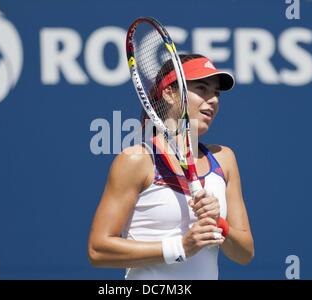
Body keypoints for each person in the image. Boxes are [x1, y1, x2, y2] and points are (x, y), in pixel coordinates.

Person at [88, 54, 254, 279]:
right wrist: (180, 248)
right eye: (202, 89)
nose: (213, 99)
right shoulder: (136, 160)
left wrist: (219, 223)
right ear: (169, 93)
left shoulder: (224, 159)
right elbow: (98, 250)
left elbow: (244, 254)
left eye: (216, 93)